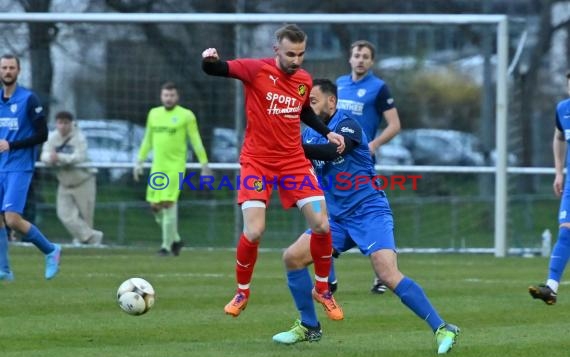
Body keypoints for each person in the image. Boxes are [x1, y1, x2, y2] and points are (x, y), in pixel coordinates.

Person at [272, 79, 459, 355]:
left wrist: (294, 149)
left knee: (386, 273)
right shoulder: (310, 135)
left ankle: (443, 328)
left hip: (369, 211)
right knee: (292, 258)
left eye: (313, 100)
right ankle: (309, 327)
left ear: (331, 102)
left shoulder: (347, 124)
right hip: (336, 219)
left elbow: (335, 149)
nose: (308, 106)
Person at [201, 24, 345, 318]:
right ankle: (242, 292)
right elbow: (217, 70)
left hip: (294, 161)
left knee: (322, 225)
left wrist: (328, 132)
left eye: (301, 54)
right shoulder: (255, 70)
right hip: (257, 162)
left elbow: (303, 111)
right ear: (276, 49)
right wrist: (209, 60)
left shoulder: (304, 79)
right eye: (291, 54)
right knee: (254, 231)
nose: (296, 60)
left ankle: (322, 289)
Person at [334, 40, 402, 295]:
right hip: (334, 162)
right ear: (350, 59)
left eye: (365, 56)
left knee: (371, 216)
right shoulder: (339, 85)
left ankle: (383, 274)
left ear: (371, 62)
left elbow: (394, 125)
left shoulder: (378, 88)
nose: (360, 60)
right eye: (356, 55)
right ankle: (327, 277)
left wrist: (372, 145)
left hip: (361, 164)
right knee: (329, 212)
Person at [0, 53, 61, 281]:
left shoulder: (28, 99)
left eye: (11, 68)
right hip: (0, 167)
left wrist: (12, 144)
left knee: (12, 219)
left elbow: (42, 134)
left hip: (19, 167)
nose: (7, 71)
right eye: (4, 67)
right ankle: (4, 270)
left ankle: (51, 250)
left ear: (19, 71)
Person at [134, 81, 211, 256]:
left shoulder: (186, 115)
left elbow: (195, 140)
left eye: (172, 95)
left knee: (168, 205)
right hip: (158, 168)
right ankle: (175, 240)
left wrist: (204, 164)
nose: (168, 98)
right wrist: (139, 161)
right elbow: (147, 140)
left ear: (177, 97)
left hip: (175, 168)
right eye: (166, 95)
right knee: (155, 207)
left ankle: (165, 247)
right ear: (161, 96)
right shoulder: (154, 114)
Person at [529, 71, 570, 305]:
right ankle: (551, 288)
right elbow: (559, 137)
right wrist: (558, 171)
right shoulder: (563, 109)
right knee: (566, 230)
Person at [40, 111, 102, 245]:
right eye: (60, 123)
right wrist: (50, 158)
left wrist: (59, 158)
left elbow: (79, 157)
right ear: (56, 124)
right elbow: (44, 155)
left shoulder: (79, 137)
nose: (62, 126)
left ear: (71, 123)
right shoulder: (52, 137)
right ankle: (92, 237)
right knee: (64, 214)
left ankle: (84, 242)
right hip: (64, 183)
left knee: (86, 216)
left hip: (83, 181)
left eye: (65, 123)